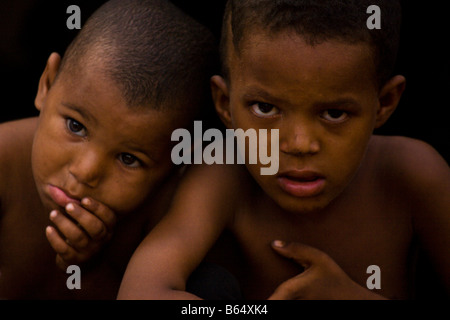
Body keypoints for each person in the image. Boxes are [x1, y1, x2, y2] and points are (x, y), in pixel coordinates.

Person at [118, 0, 450, 300]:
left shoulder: (412, 175)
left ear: (385, 103)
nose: (299, 144)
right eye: (265, 108)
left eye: (334, 114)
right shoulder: (224, 175)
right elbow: (141, 292)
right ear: (224, 103)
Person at [0, 0, 217, 299]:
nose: (86, 171)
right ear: (46, 84)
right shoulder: (3, 161)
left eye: (129, 159)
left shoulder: (172, 215)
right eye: (76, 126)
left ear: (180, 157)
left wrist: (89, 267)